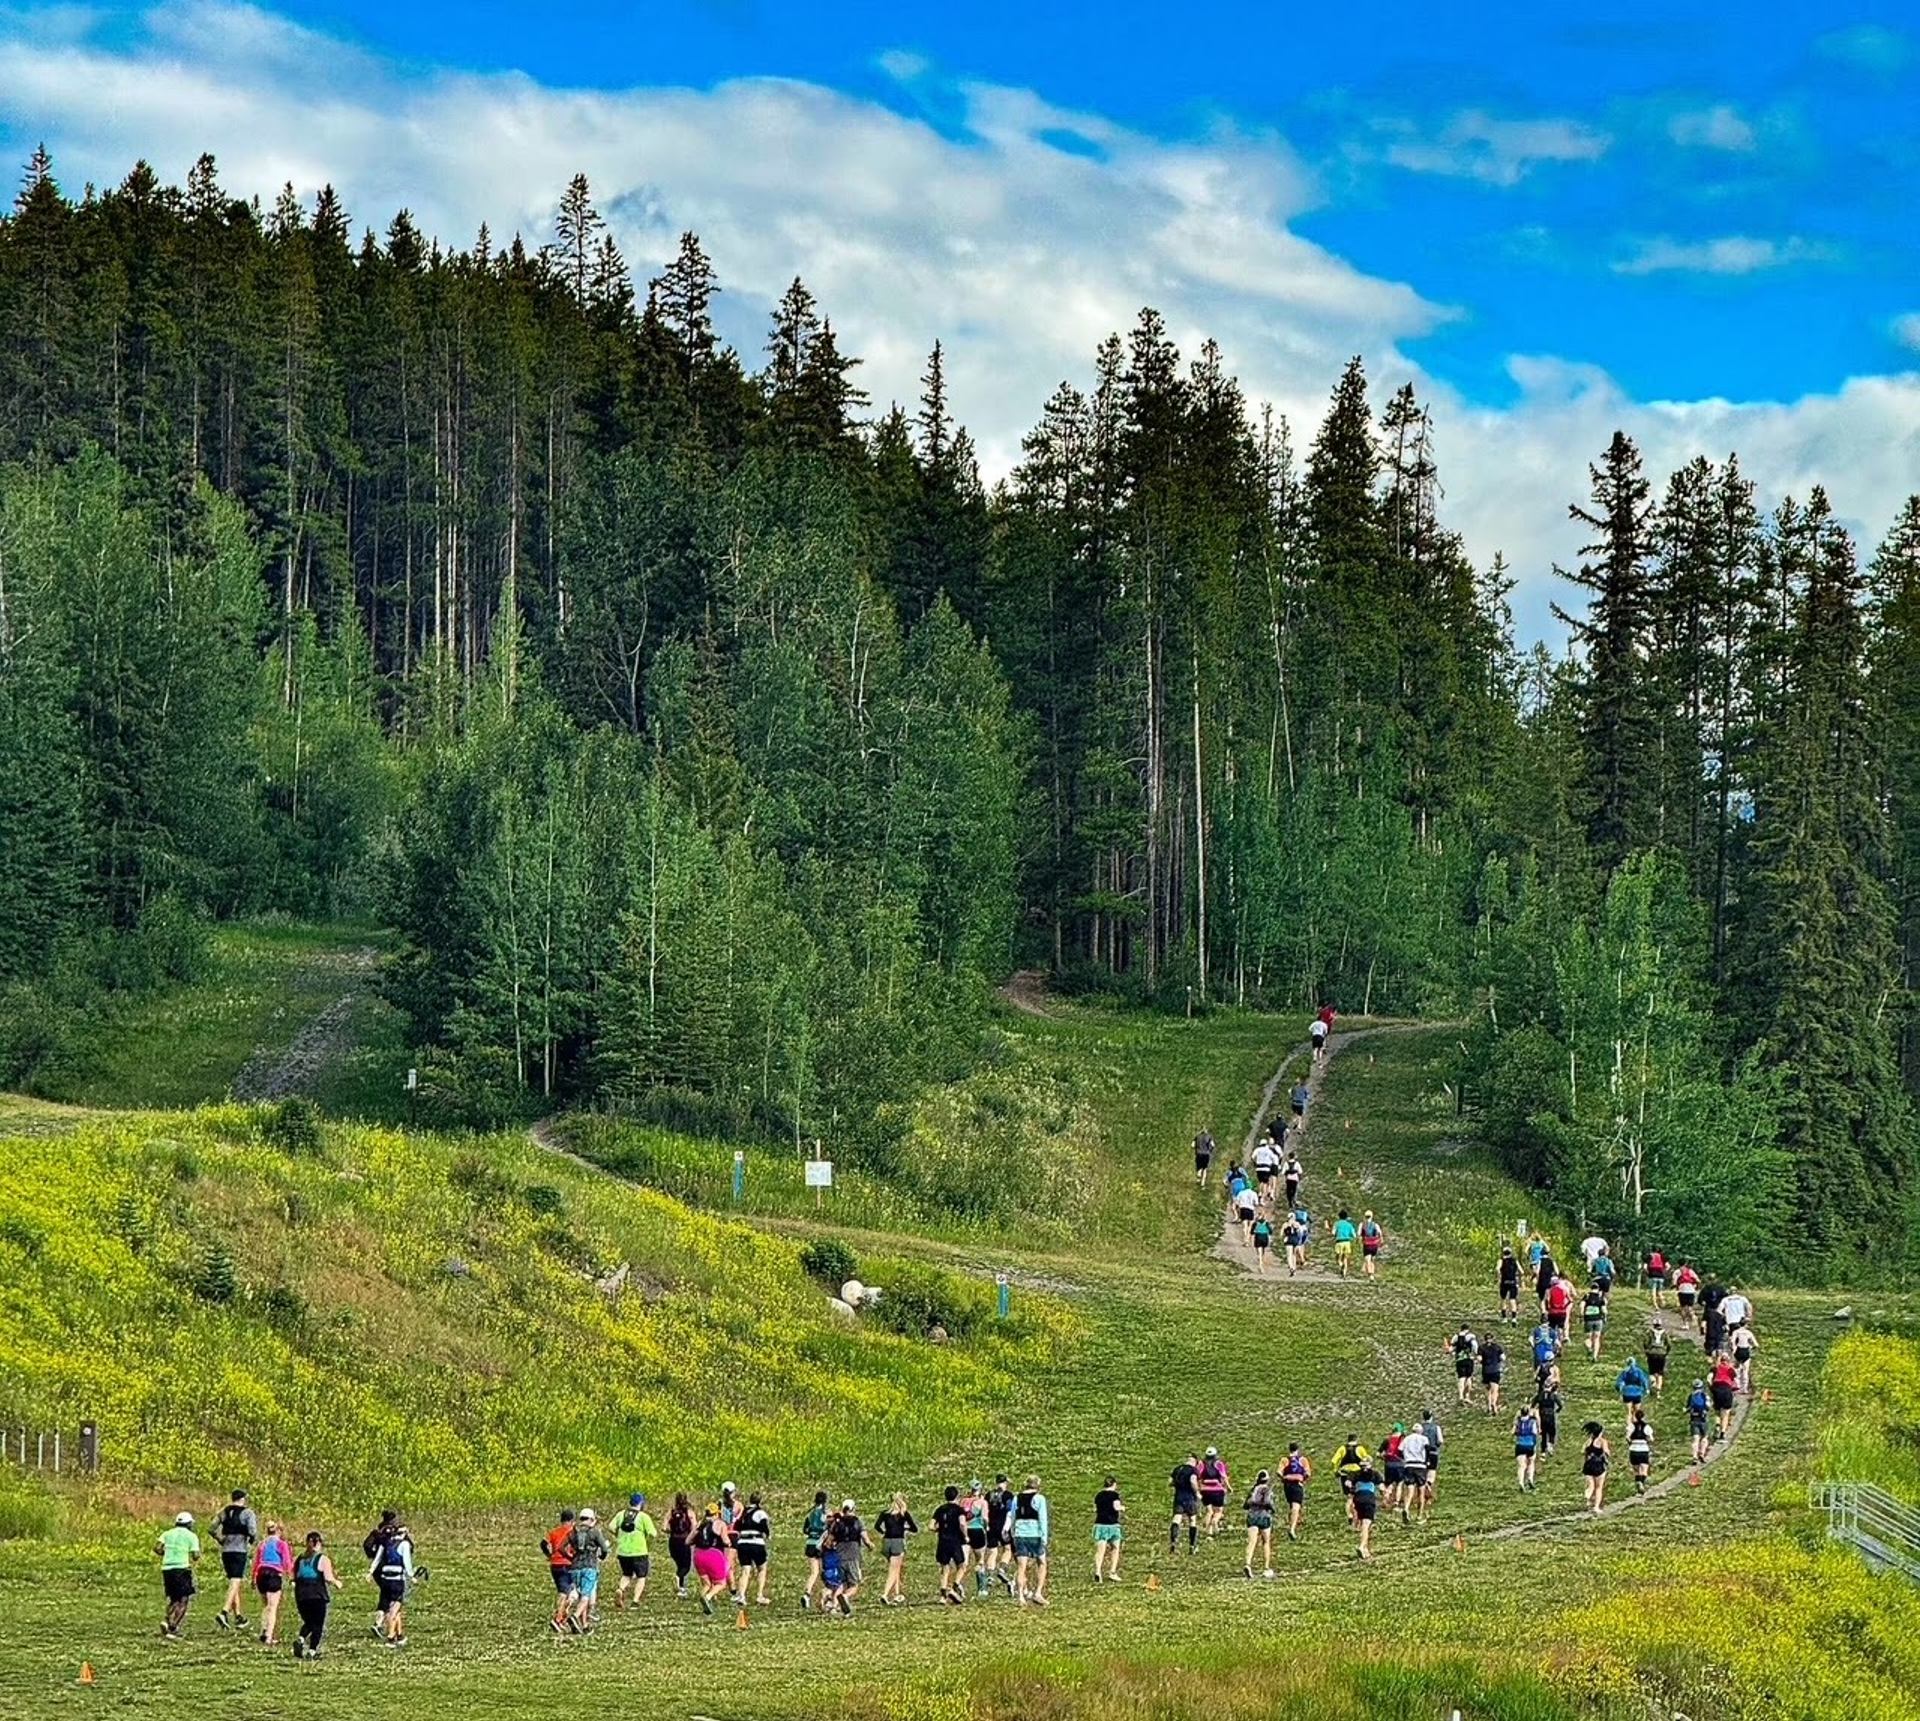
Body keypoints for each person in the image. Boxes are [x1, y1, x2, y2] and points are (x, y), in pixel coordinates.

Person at [214, 1488, 259, 1631]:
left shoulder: (224, 1512)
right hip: (239, 1550)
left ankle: (239, 1616)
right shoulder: (247, 1513)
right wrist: (252, 1540)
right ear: (243, 1498)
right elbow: (252, 1530)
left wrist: (220, 1539)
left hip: (226, 1550)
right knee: (236, 1581)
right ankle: (224, 1611)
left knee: (234, 1583)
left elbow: (211, 1527)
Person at [290, 1531, 340, 1660]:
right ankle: (312, 1651)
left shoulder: (299, 1559)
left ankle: (301, 1639)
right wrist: (336, 1582)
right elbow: (328, 1577)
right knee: (318, 1624)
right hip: (317, 1595)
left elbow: (293, 1578)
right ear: (318, 1543)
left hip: (301, 1595)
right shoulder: (322, 1559)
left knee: (309, 1621)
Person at [155, 1510, 201, 1640]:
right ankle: (173, 1626)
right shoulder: (191, 1536)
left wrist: (167, 1554)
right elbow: (196, 1555)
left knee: (173, 1597)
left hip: (167, 1568)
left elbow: (157, 1548)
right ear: (189, 1524)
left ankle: (166, 1620)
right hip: (181, 1568)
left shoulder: (167, 1533)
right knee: (183, 1599)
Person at [369, 1516, 413, 1647]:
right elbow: (407, 1562)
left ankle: (400, 1635)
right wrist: (412, 1575)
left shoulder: (386, 1543)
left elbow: (377, 1559)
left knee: (394, 1607)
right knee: (394, 1608)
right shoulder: (404, 1545)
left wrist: (370, 1572)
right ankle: (391, 1637)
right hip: (397, 1579)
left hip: (385, 1578)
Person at [568, 1507, 610, 1632]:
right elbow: (604, 1549)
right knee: (586, 1595)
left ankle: (584, 1625)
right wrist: (602, 1557)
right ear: (591, 1520)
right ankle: (575, 1617)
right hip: (589, 1565)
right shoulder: (595, 1532)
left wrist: (569, 1556)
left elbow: (563, 1547)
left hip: (575, 1567)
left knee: (581, 1596)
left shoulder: (573, 1533)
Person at [612, 1492, 655, 1611]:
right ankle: (635, 1601)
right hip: (639, 1551)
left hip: (623, 1552)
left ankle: (620, 1589)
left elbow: (611, 1527)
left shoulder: (621, 1514)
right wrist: (646, 1541)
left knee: (627, 1574)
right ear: (641, 1503)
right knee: (641, 1577)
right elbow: (652, 1533)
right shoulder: (643, 1517)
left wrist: (618, 1536)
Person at [1010, 1476, 1050, 1605]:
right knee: (1042, 1562)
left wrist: (1013, 1533)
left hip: (1020, 1534)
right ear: (1037, 1485)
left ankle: (1021, 1596)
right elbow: (1042, 1518)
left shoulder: (1017, 1498)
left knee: (1022, 1566)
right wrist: (1044, 1537)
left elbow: (1013, 1516)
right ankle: (1038, 1592)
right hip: (1035, 1534)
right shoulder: (1039, 1498)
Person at [252, 1520, 292, 1645]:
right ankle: (269, 1636)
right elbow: (286, 1562)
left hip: (261, 1574)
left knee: (265, 1605)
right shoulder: (281, 1544)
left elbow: (257, 1561)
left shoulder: (262, 1544)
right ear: (279, 1531)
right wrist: (291, 1575)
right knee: (273, 1607)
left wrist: (253, 1577)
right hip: (274, 1574)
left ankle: (263, 1630)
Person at [827, 1500, 869, 1617]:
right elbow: (865, 1539)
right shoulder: (857, 1522)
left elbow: (829, 1541)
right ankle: (845, 1597)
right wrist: (870, 1545)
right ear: (853, 1508)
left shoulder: (837, 1523)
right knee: (854, 1585)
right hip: (852, 1556)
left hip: (839, 1557)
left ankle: (834, 1607)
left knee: (841, 1584)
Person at [691, 1503, 733, 1616]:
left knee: (707, 1584)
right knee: (721, 1583)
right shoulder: (720, 1524)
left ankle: (703, 1597)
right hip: (713, 1554)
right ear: (716, 1513)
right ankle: (708, 1597)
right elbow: (725, 1541)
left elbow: (688, 1541)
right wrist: (730, 1542)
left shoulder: (700, 1524)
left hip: (698, 1555)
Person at [877, 1493, 918, 1606]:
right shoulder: (903, 1514)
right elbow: (914, 1528)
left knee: (896, 1569)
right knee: (893, 1570)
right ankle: (885, 1594)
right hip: (897, 1542)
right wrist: (905, 1528)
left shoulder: (885, 1514)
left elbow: (877, 1526)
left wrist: (884, 1532)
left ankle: (897, 1594)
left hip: (886, 1542)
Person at [542, 1507, 578, 1632]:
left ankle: (561, 1617)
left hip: (554, 1566)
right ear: (572, 1520)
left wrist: (549, 1555)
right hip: (567, 1565)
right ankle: (558, 1618)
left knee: (563, 1592)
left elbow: (543, 1543)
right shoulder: (573, 1532)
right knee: (567, 1593)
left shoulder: (554, 1532)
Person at [733, 1492, 772, 1606]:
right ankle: (759, 1595)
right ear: (760, 1501)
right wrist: (768, 1534)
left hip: (742, 1543)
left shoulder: (743, 1512)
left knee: (745, 1570)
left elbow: (737, 1526)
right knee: (762, 1568)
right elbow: (764, 1526)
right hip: (756, 1542)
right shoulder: (760, 1512)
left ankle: (741, 1596)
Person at [933, 1485, 968, 1603]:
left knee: (945, 1568)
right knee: (962, 1565)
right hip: (955, 1541)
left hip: (942, 1541)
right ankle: (954, 1586)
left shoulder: (940, 1509)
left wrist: (940, 1529)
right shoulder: (959, 1510)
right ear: (957, 1496)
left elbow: (931, 1526)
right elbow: (962, 1524)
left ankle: (942, 1596)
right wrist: (966, 1536)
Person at [1243, 1469, 1277, 1579]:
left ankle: (1248, 1564)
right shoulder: (1268, 1490)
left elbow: (1246, 1505)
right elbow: (1270, 1504)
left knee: (1252, 1542)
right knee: (1266, 1542)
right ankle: (1266, 1567)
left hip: (1252, 1516)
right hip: (1264, 1516)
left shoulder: (1253, 1490)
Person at [986, 1473, 1016, 1593]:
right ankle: (1002, 1569)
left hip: (991, 1526)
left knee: (993, 1551)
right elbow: (1010, 1512)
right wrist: (1007, 1527)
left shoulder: (989, 1495)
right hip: (1003, 1525)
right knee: (1007, 1549)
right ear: (1005, 1483)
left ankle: (990, 1575)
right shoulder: (1008, 1495)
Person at [801, 1490, 830, 1610]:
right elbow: (829, 1527)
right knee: (825, 1571)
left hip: (810, 1544)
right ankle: (827, 1595)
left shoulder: (810, 1513)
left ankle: (807, 1593)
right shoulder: (826, 1513)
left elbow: (805, 1530)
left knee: (814, 1572)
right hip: (820, 1544)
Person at [1332, 1433, 1370, 1523]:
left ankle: (1349, 1514)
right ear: (1356, 1439)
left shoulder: (1342, 1448)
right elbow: (1366, 1459)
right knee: (1356, 1495)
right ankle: (1357, 1514)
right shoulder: (1360, 1448)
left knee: (1349, 1497)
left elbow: (1334, 1460)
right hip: (1356, 1473)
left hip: (1344, 1473)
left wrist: (1335, 1470)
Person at [1398, 1421, 1431, 1524]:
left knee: (1410, 1489)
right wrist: (1427, 1460)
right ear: (1420, 1431)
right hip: (1420, 1465)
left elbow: (1399, 1450)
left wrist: (1405, 1458)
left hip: (1409, 1465)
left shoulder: (1406, 1439)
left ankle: (1406, 1508)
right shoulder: (1424, 1438)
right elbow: (1427, 1448)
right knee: (1421, 1490)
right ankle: (1419, 1515)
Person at [961, 1479, 989, 1597]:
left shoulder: (963, 1501)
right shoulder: (982, 1502)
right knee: (980, 1560)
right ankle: (982, 1589)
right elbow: (984, 1518)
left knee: (964, 1561)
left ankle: (958, 1584)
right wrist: (986, 1527)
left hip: (965, 1531)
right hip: (977, 1531)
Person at [1169, 1451, 1201, 1553]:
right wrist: (1197, 1492)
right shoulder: (1193, 1470)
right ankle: (1192, 1546)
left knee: (1176, 1519)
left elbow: (1170, 1482)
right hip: (1190, 1498)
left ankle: (1174, 1542)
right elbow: (1193, 1480)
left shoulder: (1178, 1469)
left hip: (1178, 1497)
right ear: (1195, 1462)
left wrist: (1178, 1485)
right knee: (1192, 1520)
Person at [1197, 1447, 1231, 1539]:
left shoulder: (1201, 1464)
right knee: (1218, 1511)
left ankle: (1209, 1532)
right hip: (1217, 1490)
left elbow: (1198, 1477)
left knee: (1209, 1511)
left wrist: (1199, 1488)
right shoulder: (1219, 1464)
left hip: (1205, 1490)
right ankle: (1215, 1521)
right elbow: (1224, 1477)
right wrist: (1228, 1487)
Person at [666, 1493, 696, 1600]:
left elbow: (664, 1527)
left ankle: (681, 1587)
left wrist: (672, 1530)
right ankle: (679, 1581)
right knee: (686, 1566)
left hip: (673, 1540)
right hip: (684, 1540)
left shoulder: (671, 1512)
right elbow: (694, 1528)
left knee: (679, 1564)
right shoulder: (689, 1512)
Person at [1350, 1457, 1380, 1559]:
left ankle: (1366, 1549)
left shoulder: (1356, 1474)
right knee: (1366, 1525)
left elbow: (1348, 1483)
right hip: (1369, 1499)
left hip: (1358, 1499)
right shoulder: (1374, 1474)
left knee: (1363, 1524)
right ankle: (1362, 1546)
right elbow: (1382, 1487)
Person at [1280, 1445, 1311, 1541]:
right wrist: (1303, 1480)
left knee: (1291, 1505)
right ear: (1297, 1450)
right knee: (1296, 1506)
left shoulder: (1285, 1460)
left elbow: (1279, 1471)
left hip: (1287, 1485)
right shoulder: (1302, 1460)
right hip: (1297, 1484)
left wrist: (1283, 1479)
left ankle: (1293, 1522)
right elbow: (1307, 1473)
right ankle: (1292, 1528)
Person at [1581, 1422, 1611, 1514]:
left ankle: (1587, 1496)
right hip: (1598, 1465)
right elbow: (1606, 1452)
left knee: (1590, 1485)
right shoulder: (1602, 1441)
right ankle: (1596, 1507)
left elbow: (1583, 1451)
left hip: (1588, 1465)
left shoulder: (1588, 1441)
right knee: (1598, 1487)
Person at [1615, 1356, 1650, 1429]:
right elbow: (1643, 1380)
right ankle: (1636, 1425)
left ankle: (1628, 1426)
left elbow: (1619, 1382)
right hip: (1637, 1393)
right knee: (1636, 1411)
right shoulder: (1638, 1371)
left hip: (1627, 1393)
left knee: (1628, 1412)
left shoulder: (1625, 1371)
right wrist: (1646, 1389)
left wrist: (1619, 1390)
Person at [1710, 1352, 1738, 1441]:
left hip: (1716, 1389)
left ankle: (1717, 1425)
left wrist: (1711, 1388)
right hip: (1726, 1390)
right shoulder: (1730, 1369)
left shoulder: (1715, 1368)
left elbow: (1709, 1378)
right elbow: (1734, 1379)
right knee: (1725, 1413)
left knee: (1717, 1411)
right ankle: (1722, 1434)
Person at [1448, 1324, 1479, 1404]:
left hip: (1459, 1359)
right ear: (1468, 1329)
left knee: (1461, 1378)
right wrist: (1476, 1354)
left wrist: (1453, 1354)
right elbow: (1475, 1347)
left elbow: (1451, 1349)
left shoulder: (1456, 1337)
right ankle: (1467, 1396)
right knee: (1468, 1378)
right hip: (1469, 1359)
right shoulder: (1471, 1336)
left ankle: (1461, 1396)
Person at [1513, 1405, 1541, 1491]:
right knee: (1531, 1463)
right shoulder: (1532, 1421)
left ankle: (1521, 1482)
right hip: (1530, 1444)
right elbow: (1535, 1433)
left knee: (1521, 1466)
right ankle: (1530, 1478)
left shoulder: (1518, 1422)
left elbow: (1513, 1432)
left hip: (1520, 1444)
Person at [1627, 1411, 1654, 1493]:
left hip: (1633, 1449)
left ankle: (1638, 1481)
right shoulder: (1647, 1426)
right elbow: (1651, 1439)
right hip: (1643, 1449)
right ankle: (1642, 1482)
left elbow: (1627, 1437)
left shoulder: (1631, 1426)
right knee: (1644, 1468)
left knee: (1636, 1470)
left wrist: (1630, 1443)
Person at [1582, 1281, 1608, 1362]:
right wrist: (1605, 1317)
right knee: (1597, 1338)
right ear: (1598, 1289)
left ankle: (1589, 1348)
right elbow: (1604, 1310)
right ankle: (1595, 1356)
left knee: (1588, 1338)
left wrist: (1582, 1314)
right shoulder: (1601, 1298)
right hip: (1598, 1320)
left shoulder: (1586, 1296)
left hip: (1588, 1319)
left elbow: (1581, 1306)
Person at [1420, 1409, 1445, 1494]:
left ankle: (1422, 1486)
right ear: (1431, 1417)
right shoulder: (1436, 1427)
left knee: (1423, 1470)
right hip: (1433, 1452)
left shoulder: (1420, 1428)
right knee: (1432, 1471)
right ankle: (1429, 1483)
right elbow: (1440, 1440)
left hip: (1422, 1453)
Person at [1686, 1379, 1712, 1463]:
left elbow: (1688, 1408)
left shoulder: (1691, 1396)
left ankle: (1694, 1456)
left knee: (1695, 1438)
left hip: (1694, 1419)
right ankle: (1702, 1453)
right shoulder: (1705, 1395)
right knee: (1704, 1437)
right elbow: (1708, 1407)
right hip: (1703, 1419)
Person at [1544, 1273, 1573, 1346]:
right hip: (1562, 1312)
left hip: (1552, 1312)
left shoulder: (1549, 1290)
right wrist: (1565, 1306)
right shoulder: (1564, 1289)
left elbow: (1547, 1300)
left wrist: (1547, 1308)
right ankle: (1560, 1343)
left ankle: (1553, 1343)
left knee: (1552, 1328)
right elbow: (1570, 1300)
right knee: (1560, 1328)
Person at [1480, 1333, 1506, 1415]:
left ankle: (1488, 1405)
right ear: (1492, 1338)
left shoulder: (1481, 1348)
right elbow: (1503, 1357)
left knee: (1487, 1390)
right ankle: (1494, 1403)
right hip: (1495, 1370)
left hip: (1486, 1370)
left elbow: (1479, 1358)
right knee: (1495, 1390)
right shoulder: (1497, 1347)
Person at [1645, 1320, 1671, 1397]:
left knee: (1651, 1372)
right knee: (1660, 1374)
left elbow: (1646, 1343)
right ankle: (1658, 1392)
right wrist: (1666, 1352)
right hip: (1661, 1354)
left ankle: (1652, 1384)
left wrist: (1647, 1350)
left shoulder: (1650, 1333)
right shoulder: (1665, 1333)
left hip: (1652, 1354)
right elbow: (1669, 1344)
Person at [1731, 1321, 1758, 1395]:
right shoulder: (1748, 1333)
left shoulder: (1736, 1332)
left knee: (1737, 1369)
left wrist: (1734, 1349)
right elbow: (1756, 1344)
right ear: (1745, 1325)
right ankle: (1745, 1388)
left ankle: (1738, 1386)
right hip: (1746, 1351)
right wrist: (1751, 1347)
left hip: (1739, 1351)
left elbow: (1732, 1341)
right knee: (1746, 1370)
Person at [1252, 1136, 1281, 1200]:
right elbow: (1275, 1157)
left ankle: (1260, 1192)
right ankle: (1264, 1196)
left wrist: (1255, 1163)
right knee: (1268, 1181)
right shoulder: (1271, 1149)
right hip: (1268, 1167)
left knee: (1261, 1181)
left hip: (1259, 1167)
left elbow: (1253, 1157)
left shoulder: (1258, 1149)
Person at [1674, 1262, 1701, 1332]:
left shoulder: (1677, 1272)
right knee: (1690, 1307)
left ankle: (1685, 1324)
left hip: (1682, 1290)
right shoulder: (1690, 1271)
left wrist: (1677, 1288)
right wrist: (1696, 1287)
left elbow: (1674, 1282)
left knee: (1683, 1308)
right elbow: (1698, 1280)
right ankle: (1693, 1316)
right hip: (1691, 1290)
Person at [1498, 1244, 1522, 1324]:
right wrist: (1518, 1278)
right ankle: (1514, 1318)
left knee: (1503, 1300)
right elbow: (1521, 1271)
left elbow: (1497, 1269)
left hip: (1504, 1282)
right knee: (1512, 1300)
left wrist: (1499, 1277)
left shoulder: (1501, 1260)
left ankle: (1504, 1318)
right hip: (1513, 1282)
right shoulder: (1515, 1260)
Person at [1331, 1209, 1358, 1277]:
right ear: (1346, 1217)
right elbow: (1354, 1235)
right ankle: (1344, 1272)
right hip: (1347, 1242)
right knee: (1345, 1257)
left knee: (1338, 1258)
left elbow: (1333, 1233)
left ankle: (1341, 1264)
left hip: (1339, 1242)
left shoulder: (1337, 1224)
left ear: (1339, 1216)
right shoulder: (1349, 1225)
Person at [1360, 1210, 1385, 1277]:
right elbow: (1380, 1233)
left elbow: (1358, 1234)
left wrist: (1360, 1240)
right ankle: (1372, 1273)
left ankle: (1370, 1273)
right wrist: (1381, 1240)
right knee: (1372, 1259)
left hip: (1367, 1244)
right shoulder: (1375, 1225)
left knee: (1367, 1259)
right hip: (1374, 1244)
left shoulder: (1362, 1224)